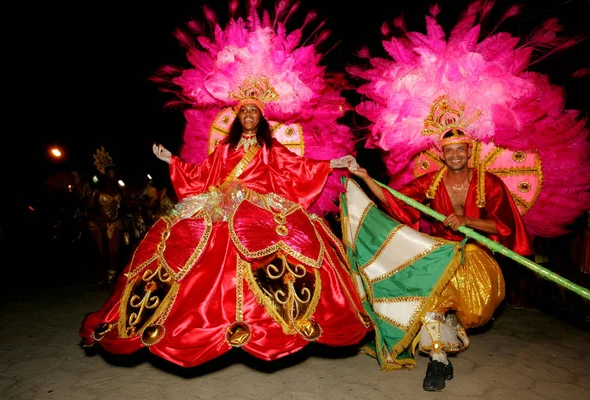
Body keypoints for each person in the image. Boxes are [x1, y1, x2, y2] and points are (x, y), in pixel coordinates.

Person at [79, 83, 372, 368]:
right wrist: (173, 161)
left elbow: (299, 166)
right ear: (237, 117)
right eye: (243, 111)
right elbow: (201, 172)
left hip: (260, 207)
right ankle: (195, 320)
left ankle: (272, 321)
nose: (248, 115)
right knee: (188, 244)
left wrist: (332, 164)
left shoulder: (271, 148)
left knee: (282, 247)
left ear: (261, 118)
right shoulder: (224, 148)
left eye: (253, 111)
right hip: (219, 204)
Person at [349, 127, 533, 391]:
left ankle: (450, 334)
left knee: (472, 313)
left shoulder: (489, 183)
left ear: (470, 151)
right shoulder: (431, 182)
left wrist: (467, 220)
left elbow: (505, 226)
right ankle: (437, 359)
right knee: (431, 306)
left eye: (460, 149)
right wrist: (366, 178)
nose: (455, 155)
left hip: (476, 257)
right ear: (442, 154)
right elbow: (395, 201)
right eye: (449, 150)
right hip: (440, 256)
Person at [85, 147, 129, 287]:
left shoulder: (118, 190)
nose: (113, 176)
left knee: (114, 253)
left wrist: (123, 218)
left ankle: (112, 276)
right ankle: (100, 277)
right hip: (98, 223)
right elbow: (86, 209)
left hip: (114, 223)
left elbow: (124, 207)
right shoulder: (96, 191)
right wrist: (98, 221)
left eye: (115, 174)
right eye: (111, 173)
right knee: (100, 252)